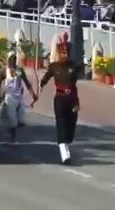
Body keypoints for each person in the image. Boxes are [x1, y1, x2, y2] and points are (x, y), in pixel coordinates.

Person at [40, 33, 81, 164]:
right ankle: (65, 155)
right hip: (59, 98)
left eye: (66, 52)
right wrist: (41, 84)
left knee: (71, 125)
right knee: (61, 125)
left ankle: (67, 141)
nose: (64, 55)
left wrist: (76, 102)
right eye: (62, 52)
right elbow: (45, 78)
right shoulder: (54, 67)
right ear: (58, 53)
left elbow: (74, 85)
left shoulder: (73, 67)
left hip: (71, 99)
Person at [0, 51, 37, 145]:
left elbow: (26, 83)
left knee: (19, 121)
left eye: (14, 58)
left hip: (18, 98)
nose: (12, 60)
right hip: (9, 98)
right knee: (12, 120)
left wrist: (33, 95)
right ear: (8, 59)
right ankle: (11, 139)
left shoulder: (18, 71)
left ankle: (10, 138)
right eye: (11, 58)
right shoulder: (4, 71)